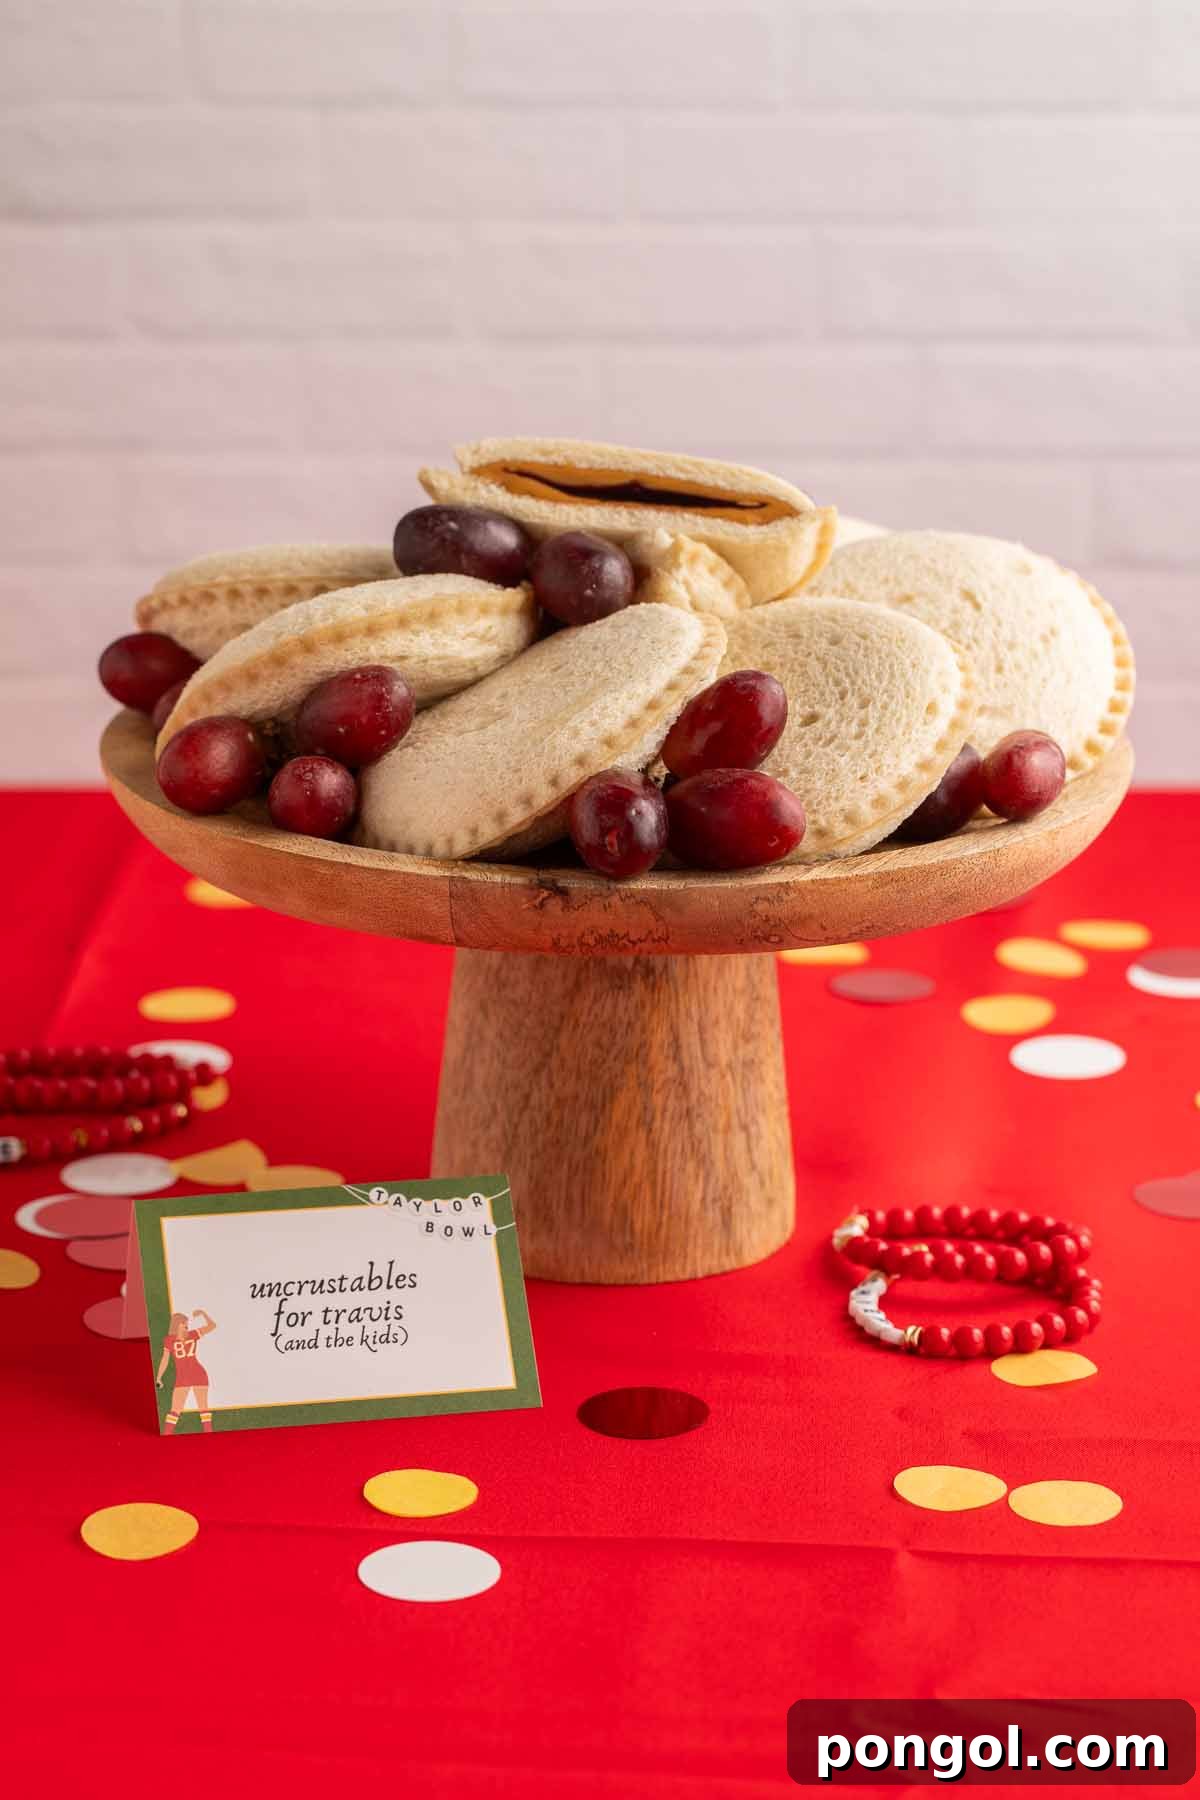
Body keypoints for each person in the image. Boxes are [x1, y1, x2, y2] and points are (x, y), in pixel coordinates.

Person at [155, 1307, 217, 1434]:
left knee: (203, 1408)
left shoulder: (193, 1334)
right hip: (182, 1377)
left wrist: (203, 1313)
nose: (187, 1326)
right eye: (184, 1324)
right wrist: (159, 1377)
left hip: (198, 1374)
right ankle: (167, 1436)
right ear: (177, 1325)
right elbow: (165, 1360)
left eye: (187, 1324)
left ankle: (209, 1435)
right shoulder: (169, 1340)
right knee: (175, 1410)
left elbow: (212, 1326)